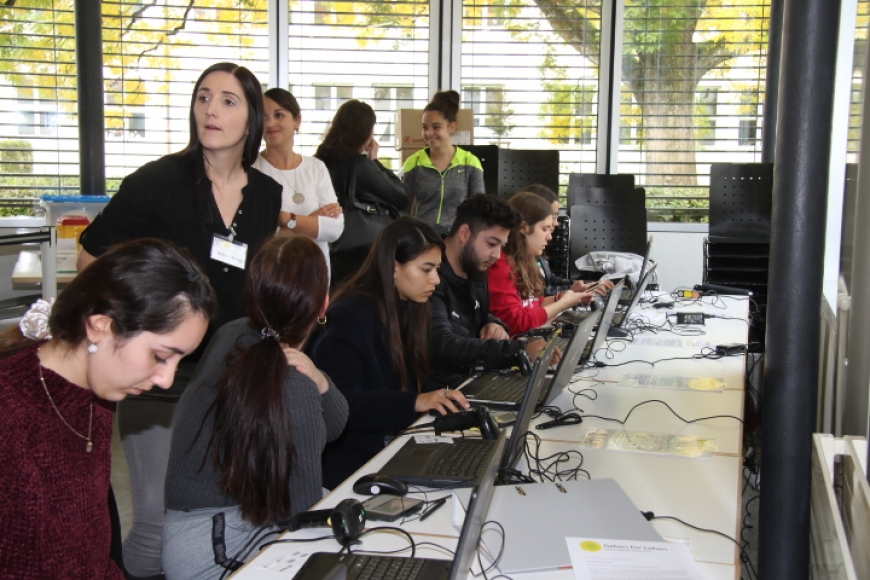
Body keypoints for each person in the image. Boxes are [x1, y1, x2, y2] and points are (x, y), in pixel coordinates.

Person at [77, 62, 282, 578]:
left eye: (228, 101)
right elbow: (89, 260)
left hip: (230, 375)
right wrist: (137, 324)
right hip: (159, 379)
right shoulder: (158, 181)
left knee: (215, 513)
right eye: (203, 97)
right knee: (154, 529)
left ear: (252, 119)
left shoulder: (266, 193)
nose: (211, 110)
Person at [0, 239, 215, 580]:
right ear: (100, 325)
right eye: (160, 356)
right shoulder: (10, 417)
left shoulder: (95, 398)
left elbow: (90, 557)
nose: (166, 380)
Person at [162, 235, 348, 579]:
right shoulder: (292, 383)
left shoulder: (233, 335)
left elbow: (333, 426)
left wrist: (320, 380)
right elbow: (301, 515)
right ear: (324, 305)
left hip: (190, 531)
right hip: (213, 546)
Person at [309, 217, 469, 489]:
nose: (436, 280)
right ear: (394, 267)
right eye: (426, 269)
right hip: (350, 469)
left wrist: (444, 395)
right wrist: (415, 402)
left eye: (437, 269)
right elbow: (343, 405)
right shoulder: (348, 316)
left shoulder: (408, 307)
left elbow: (402, 382)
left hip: (389, 449)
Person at [428, 194, 561, 391]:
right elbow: (443, 344)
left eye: (502, 246)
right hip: (444, 391)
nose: (497, 255)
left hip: (474, 378)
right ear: (464, 233)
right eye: (491, 244)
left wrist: (493, 323)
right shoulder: (430, 277)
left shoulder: (475, 267)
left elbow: (477, 315)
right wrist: (520, 350)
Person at [315, 99, 410, 287]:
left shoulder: (319, 161)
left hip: (325, 252)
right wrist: (374, 160)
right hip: (358, 257)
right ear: (365, 134)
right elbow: (401, 196)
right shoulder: (359, 166)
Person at [254, 88, 344, 278]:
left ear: (297, 120)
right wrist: (312, 220)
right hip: (272, 277)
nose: (270, 123)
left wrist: (284, 219)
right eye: (264, 117)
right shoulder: (251, 170)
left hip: (315, 276)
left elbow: (334, 228)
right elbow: (261, 242)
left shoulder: (316, 168)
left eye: (279, 115)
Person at [488, 192, 596, 335]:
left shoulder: (524, 261)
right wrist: (563, 304)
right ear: (524, 228)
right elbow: (516, 322)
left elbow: (535, 304)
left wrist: (566, 297)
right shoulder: (500, 265)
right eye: (545, 229)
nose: (549, 237)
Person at [402, 90, 485, 233]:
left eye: (436, 127)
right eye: (425, 127)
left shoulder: (470, 162)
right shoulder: (413, 163)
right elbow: (403, 208)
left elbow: (479, 211)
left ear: (452, 127)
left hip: (457, 239)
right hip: (422, 238)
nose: (429, 133)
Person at [520, 184, 614, 298]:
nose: (556, 223)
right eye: (553, 216)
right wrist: (573, 293)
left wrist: (584, 285)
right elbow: (540, 294)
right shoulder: (520, 259)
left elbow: (550, 280)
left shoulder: (535, 250)